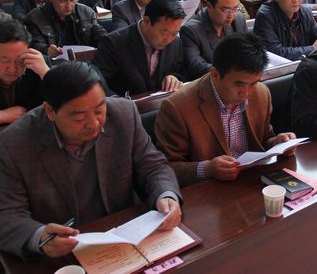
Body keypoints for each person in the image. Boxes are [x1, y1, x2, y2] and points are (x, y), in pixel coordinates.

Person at [0, 62, 181, 259]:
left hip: (125, 235)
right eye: (79, 118)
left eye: (99, 110)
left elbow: (152, 165)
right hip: (63, 252)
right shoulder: (13, 144)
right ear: (50, 111)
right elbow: (7, 214)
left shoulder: (123, 113)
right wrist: (40, 237)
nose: (94, 123)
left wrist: (165, 195)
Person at [154, 32, 297, 186]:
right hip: (209, 190)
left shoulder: (261, 93)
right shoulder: (178, 106)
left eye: (253, 83)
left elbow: (263, 140)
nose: (246, 93)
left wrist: (278, 143)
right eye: (239, 84)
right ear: (215, 74)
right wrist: (208, 169)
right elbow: (164, 169)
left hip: (251, 182)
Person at [92, 0, 187, 96]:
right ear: (146, 21)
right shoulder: (113, 43)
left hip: (161, 102)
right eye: (164, 32)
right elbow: (97, 84)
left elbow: (180, 70)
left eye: (174, 33)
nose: (168, 39)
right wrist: (120, 102)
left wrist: (174, 77)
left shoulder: (175, 43)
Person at [24, 0, 106, 58]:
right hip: (53, 63)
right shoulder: (34, 18)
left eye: (72, 0)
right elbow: (35, 44)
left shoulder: (86, 13)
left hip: (84, 60)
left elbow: (99, 34)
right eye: (63, 1)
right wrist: (46, 49)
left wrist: (106, 41)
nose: (69, 6)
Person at [181, 0, 247, 80]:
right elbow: (196, 67)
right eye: (226, 10)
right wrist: (231, 73)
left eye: (235, 9)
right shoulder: (191, 30)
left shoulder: (238, 20)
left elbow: (246, 52)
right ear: (210, 7)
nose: (231, 15)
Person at [0, 18, 50, 125]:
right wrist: (2, 116)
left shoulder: (39, 65)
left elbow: (68, 106)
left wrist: (46, 75)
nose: (12, 69)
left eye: (20, 60)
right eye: (4, 60)